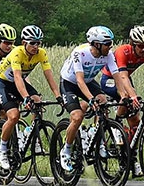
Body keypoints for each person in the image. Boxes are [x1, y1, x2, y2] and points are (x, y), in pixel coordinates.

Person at [56, 25, 137, 171]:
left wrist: (123, 96)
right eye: (107, 44)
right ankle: (66, 151)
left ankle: (95, 136)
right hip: (70, 83)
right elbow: (79, 80)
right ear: (97, 44)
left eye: (111, 43)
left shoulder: (108, 55)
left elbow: (117, 76)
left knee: (103, 102)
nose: (110, 47)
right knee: (77, 116)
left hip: (88, 82)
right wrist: (90, 99)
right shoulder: (79, 53)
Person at [0, 25, 60, 169]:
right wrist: (25, 98)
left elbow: (49, 76)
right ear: (24, 43)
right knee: (13, 116)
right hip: (5, 83)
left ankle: (31, 136)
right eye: (33, 43)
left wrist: (58, 96)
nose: (36, 46)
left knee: (38, 102)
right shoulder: (17, 53)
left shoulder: (41, 53)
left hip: (19, 82)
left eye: (38, 43)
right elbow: (17, 77)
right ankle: (2, 149)